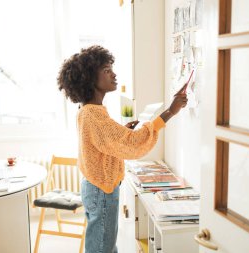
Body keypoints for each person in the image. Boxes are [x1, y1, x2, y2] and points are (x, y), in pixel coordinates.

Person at [57, 45, 188, 253]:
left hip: (94, 187)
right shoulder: (94, 115)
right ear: (91, 78)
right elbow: (133, 144)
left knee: (102, 245)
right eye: (107, 70)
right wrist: (170, 112)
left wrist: (122, 131)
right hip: (102, 190)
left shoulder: (87, 110)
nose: (114, 74)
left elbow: (104, 143)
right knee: (103, 248)